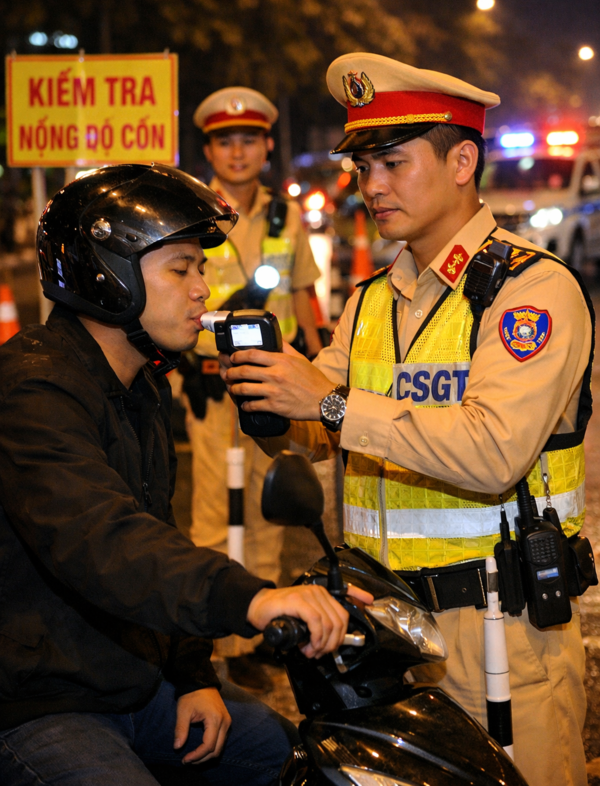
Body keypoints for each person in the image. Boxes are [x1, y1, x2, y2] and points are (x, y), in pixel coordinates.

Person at [220, 54, 594, 786]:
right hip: (384, 637)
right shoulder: (370, 302)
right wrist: (268, 392)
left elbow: (493, 451)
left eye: (391, 161)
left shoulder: (530, 292)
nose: (372, 186)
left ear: (462, 160)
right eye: (363, 168)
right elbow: (320, 423)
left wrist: (327, 402)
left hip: (499, 632)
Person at [0, 163, 370, 786]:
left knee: (299, 764)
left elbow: (159, 529)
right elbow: (107, 541)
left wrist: (193, 674)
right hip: (39, 702)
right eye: (182, 269)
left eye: (201, 268)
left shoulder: (140, 384)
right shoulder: (32, 388)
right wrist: (253, 597)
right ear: (108, 276)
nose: (203, 289)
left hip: (135, 682)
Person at [179, 87, 322, 689]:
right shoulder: (188, 211)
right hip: (212, 385)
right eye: (223, 141)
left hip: (273, 387)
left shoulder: (285, 216)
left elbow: (303, 297)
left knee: (267, 512)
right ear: (209, 149)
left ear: (266, 146)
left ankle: (258, 630)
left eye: (248, 140)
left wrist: (319, 365)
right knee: (214, 510)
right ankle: (215, 642)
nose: (236, 152)